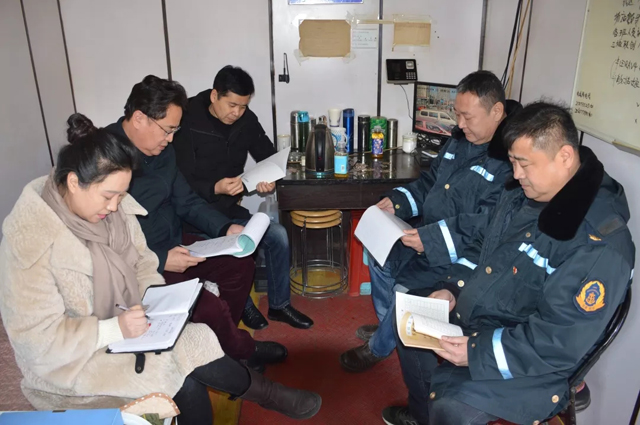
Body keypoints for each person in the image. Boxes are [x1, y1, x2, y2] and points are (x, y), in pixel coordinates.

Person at [0, 114, 321, 425]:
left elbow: (140, 261)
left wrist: (156, 300)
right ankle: (268, 393)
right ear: (74, 182)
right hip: (72, 366)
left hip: (125, 327)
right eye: (109, 196)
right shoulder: (29, 242)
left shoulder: (109, 208)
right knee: (183, 382)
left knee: (195, 338)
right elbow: (37, 342)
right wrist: (114, 329)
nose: (115, 206)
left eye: (121, 196)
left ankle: (268, 393)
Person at [382, 102, 635, 425]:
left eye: (523, 164)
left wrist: (476, 352)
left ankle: (436, 412)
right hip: (489, 315)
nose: (516, 174)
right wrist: (452, 288)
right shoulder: (525, 194)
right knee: (410, 325)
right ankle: (422, 416)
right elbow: (482, 245)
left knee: (452, 404)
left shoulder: (600, 245)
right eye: (513, 162)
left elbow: (557, 342)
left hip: (536, 362)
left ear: (564, 157)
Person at [341, 71, 522, 373]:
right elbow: (430, 183)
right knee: (377, 255)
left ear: (497, 111)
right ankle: (390, 328)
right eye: (457, 115)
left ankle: (379, 347)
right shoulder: (459, 141)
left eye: (467, 117)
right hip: (427, 236)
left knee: (403, 290)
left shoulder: (510, 161)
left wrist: (431, 239)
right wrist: (397, 202)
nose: (460, 124)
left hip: (460, 252)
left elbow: (486, 226)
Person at [105, 75, 285, 369]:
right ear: (139, 119)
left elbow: (186, 200)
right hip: (141, 263)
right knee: (206, 305)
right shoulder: (103, 159)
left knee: (240, 263)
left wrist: (225, 228)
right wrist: (160, 259)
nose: (170, 139)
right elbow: (102, 242)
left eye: (174, 131)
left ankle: (220, 345)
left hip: (175, 241)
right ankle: (240, 350)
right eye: (167, 130)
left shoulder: (160, 149)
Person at [173, 65, 313, 330]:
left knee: (278, 236)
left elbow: (268, 156)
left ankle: (280, 305)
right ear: (214, 95)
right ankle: (244, 306)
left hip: (229, 209)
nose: (237, 113)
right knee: (235, 252)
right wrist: (215, 187)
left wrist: (268, 179)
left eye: (243, 106)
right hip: (194, 215)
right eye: (232, 105)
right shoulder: (188, 119)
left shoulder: (245, 120)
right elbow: (179, 181)